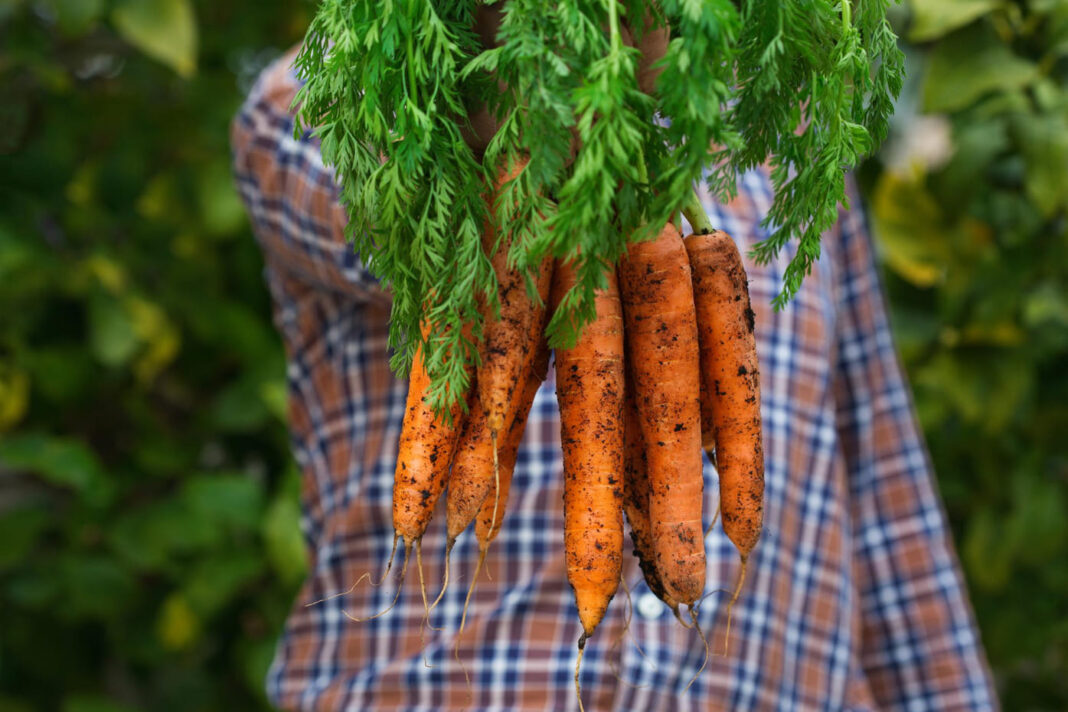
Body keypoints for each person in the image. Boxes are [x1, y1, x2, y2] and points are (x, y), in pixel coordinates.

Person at [231, 37, 999, 712]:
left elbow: (886, 492)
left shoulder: (781, 131)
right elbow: (374, 204)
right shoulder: (339, 95)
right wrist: (541, 42)